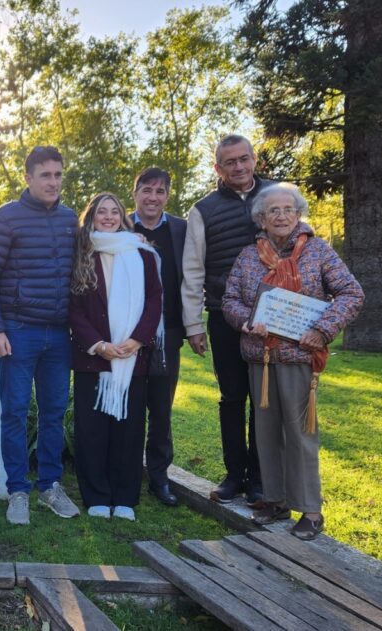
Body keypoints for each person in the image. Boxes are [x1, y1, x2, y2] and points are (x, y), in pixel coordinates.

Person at [222, 183, 362, 541]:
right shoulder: (248, 256)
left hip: (299, 357)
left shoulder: (318, 252)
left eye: (288, 209)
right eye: (274, 210)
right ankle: (276, 500)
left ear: (298, 214)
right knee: (266, 433)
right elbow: (230, 300)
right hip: (261, 358)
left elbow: (351, 293)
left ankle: (311, 511)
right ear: (261, 219)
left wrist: (323, 330)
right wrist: (246, 322)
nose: (281, 216)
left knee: (300, 434)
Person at [0, 145, 81, 525]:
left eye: (58, 174)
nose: (53, 182)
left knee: (54, 412)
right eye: (45, 175)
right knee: (15, 412)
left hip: (60, 334)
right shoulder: (6, 218)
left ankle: (50, 486)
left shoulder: (70, 220)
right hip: (18, 331)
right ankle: (17, 491)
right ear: (28, 178)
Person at [181, 134, 275, 505]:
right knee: (232, 397)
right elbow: (192, 271)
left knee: (265, 399)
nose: (238, 167)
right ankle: (234, 475)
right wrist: (193, 326)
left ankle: (260, 479)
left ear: (255, 159)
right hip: (224, 317)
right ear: (218, 168)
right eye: (229, 162)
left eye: (243, 159)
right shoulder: (202, 210)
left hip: (273, 318)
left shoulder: (278, 196)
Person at [69, 193, 163, 521]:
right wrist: (98, 345)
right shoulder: (82, 253)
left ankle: (124, 496)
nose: (108, 217)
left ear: (123, 217)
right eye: (101, 212)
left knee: (129, 429)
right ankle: (96, 495)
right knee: (91, 430)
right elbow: (74, 307)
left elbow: (154, 299)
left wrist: (137, 340)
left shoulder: (142, 253)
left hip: (131, 356)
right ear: (92, 216)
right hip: (93, 357)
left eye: (114, 212)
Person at [128, 168, 187, 507]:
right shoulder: (120, 225)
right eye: (147, 190)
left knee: (162, 408)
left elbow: (192, 275)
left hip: (170, 331)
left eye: (160, 191)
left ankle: (159, 476)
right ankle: (127, 470)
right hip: (127, 332)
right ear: (135, 193)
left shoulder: (181, 229)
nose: (153, 197)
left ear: (167, 195)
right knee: (131, 405)